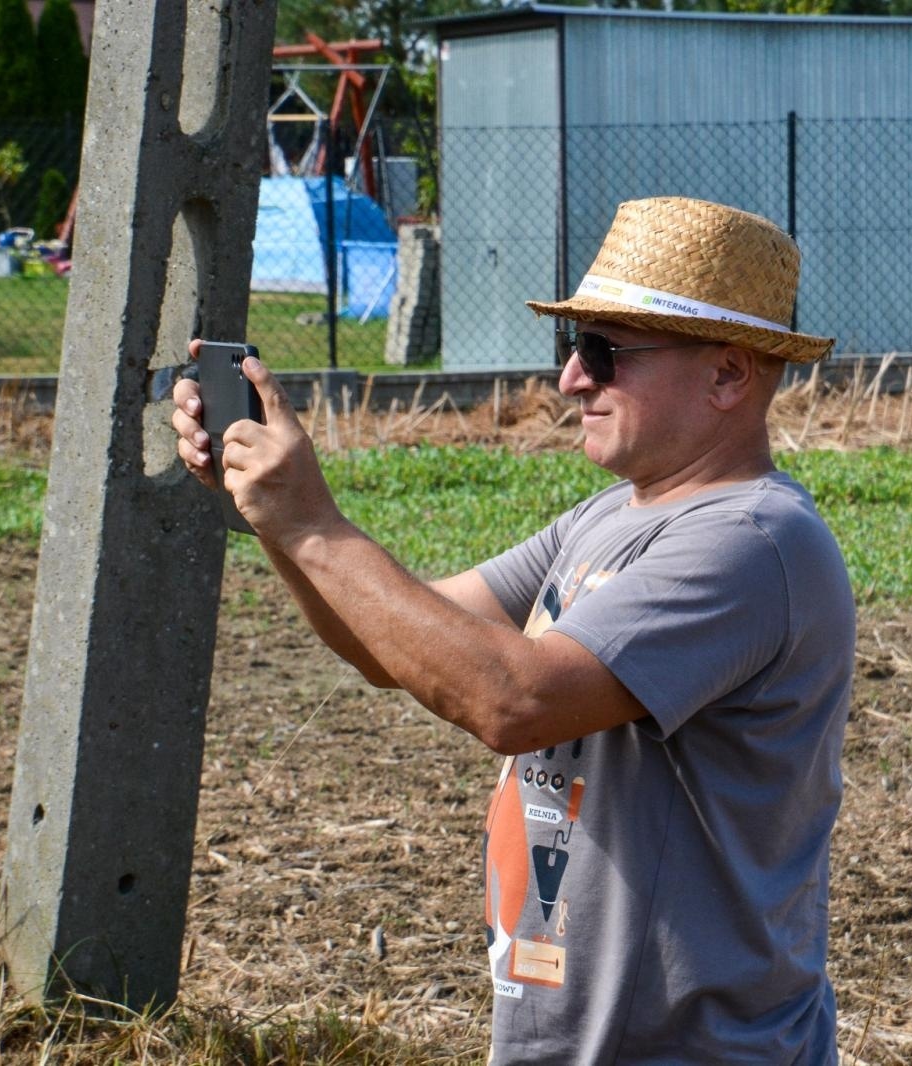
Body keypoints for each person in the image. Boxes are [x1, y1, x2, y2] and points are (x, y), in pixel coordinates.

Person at [172, 196, 855, 1065]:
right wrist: (271, 516)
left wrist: (313, 525)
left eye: (605, 354)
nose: (572, 379)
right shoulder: (607, 517)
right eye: (574, 349)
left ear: (727, 376)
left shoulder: (753, 543)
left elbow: (511, 699)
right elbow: (389, 646)